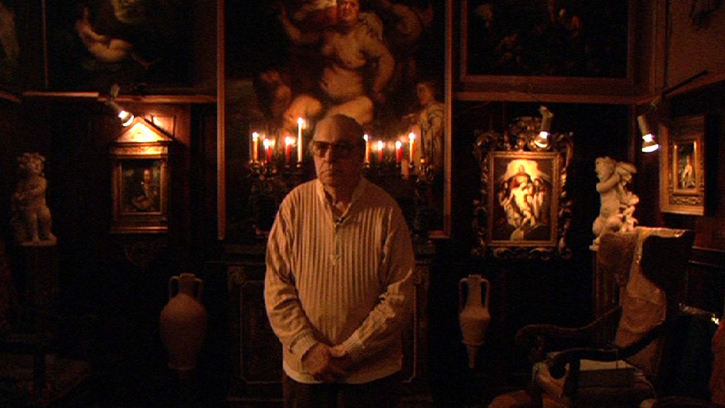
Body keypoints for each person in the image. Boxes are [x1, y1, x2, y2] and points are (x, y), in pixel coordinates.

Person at [265, 114, 416, 408]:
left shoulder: (385, 210)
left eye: (342, 148)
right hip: (306, 371)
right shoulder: (294, 206)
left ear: (361, 155)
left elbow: (400, 294)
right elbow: (276, 286)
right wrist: (308, 348)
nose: (330, 158)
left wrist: (352, 350)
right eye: (321, 148)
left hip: (371, 374)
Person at [278, 0, 395, 133]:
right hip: (323, 99)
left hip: (355, 102)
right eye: (343, 4)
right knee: (291, 115)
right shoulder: (328, 33)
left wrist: (376, 88)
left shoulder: (364, 36)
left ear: (358, 10)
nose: (347, 8)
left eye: (352, 4)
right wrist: (283, 19)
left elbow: (387, 59)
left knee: (331, 122)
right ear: (338, 7)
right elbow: (299, 38)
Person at [591, 156, 639, 248]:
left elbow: (633, 170)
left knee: (612, 223)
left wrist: (619, 170)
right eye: (598, 172)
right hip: (602, 217)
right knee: (596, 228)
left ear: (609, 170)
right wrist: (617, 175)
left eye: (601, 171)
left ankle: (602, 239)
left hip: (616, 216)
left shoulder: (617, 186)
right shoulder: (601, 186)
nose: (598, 174)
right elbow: (609, 184)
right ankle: (604, 238)